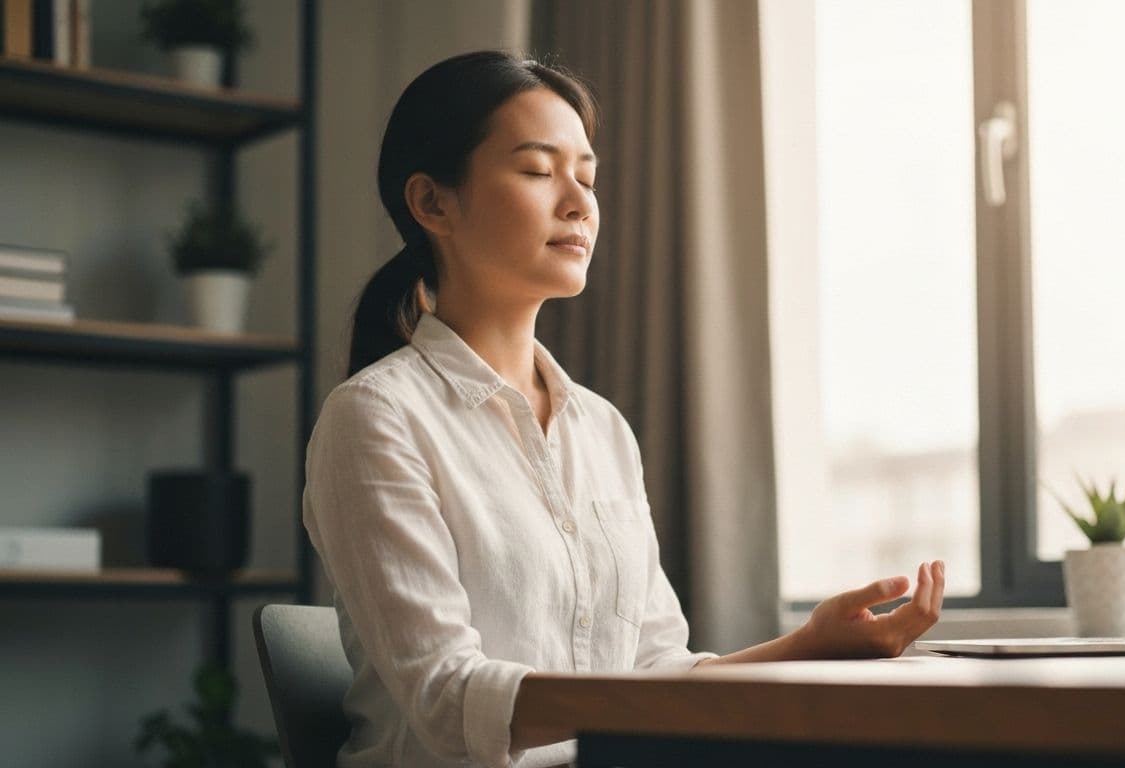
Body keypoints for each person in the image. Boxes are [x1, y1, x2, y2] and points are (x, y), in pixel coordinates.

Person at [303, 50, 946, 768]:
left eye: (587, 177)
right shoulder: (375, 419)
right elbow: (452, 705)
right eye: (538, 170)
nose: (578, 203)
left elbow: (656, 673)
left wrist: (810, 645)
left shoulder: (601, 429)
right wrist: (647, 704)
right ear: (432, 203)